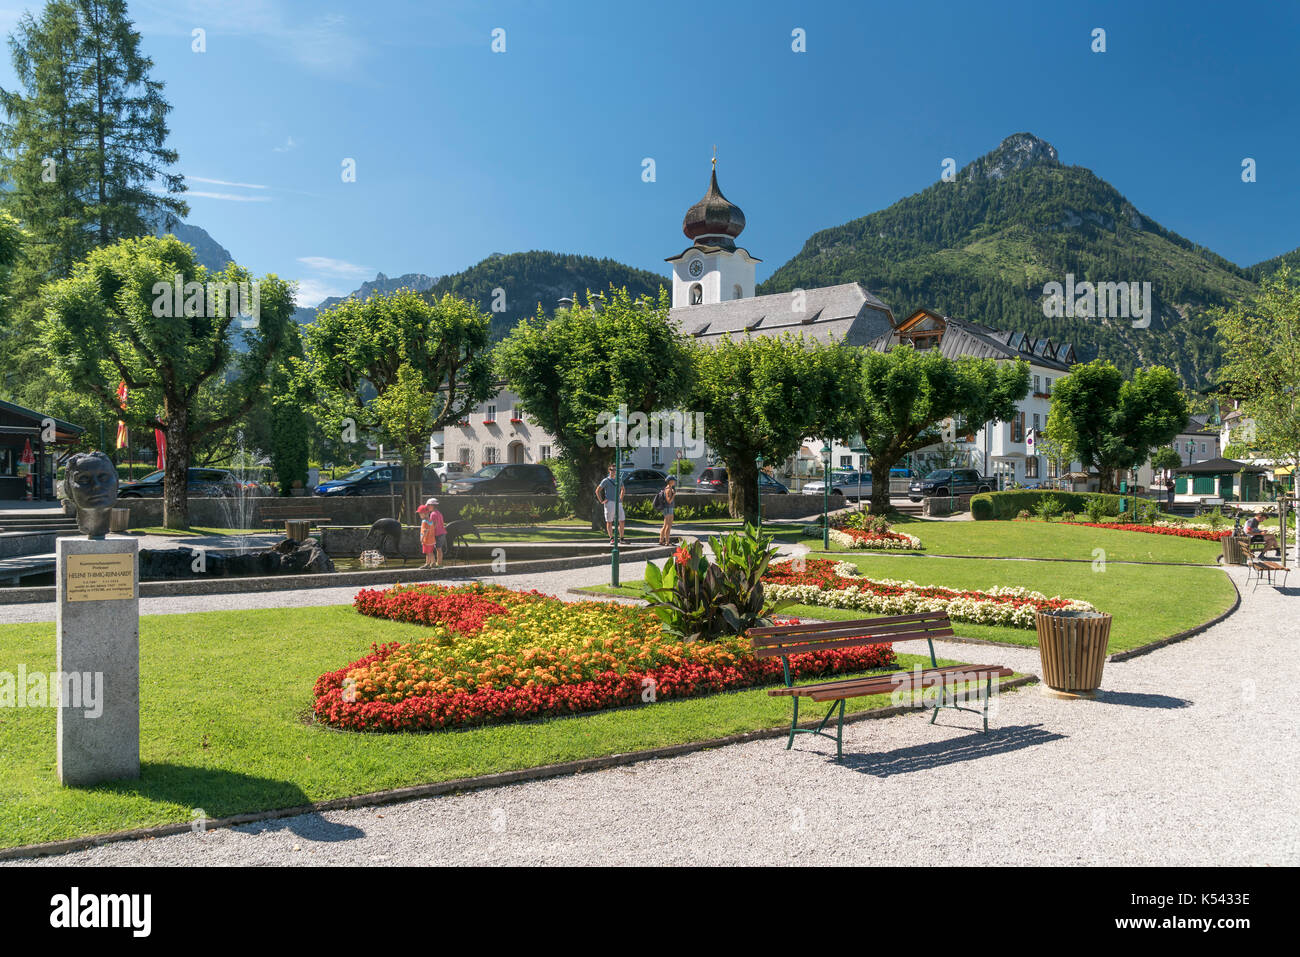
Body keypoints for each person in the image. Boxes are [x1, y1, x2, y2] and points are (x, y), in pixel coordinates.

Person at [596, 463, 626, 545]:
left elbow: (623, 489)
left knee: (622, 520)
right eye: (612, 470)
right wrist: (601, 501)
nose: (614, 471)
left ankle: (622, 538)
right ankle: (611, 538)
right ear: (609, 470)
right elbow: (597, 490)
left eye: (615, 470)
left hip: (618, 503)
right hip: (609, 503)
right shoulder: (606, 480)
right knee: (609, 521)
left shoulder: (619, 479)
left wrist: (621, 498)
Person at [417, 497, 447, 568]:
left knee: (436, 549)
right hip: (442, 533)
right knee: (438, 549)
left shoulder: (433, 514)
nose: (427, 507)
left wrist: (430, 532)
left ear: (432, 506)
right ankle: (437, 563)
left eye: (428, 506)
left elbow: (434, 524)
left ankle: (438, 563)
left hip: (437, 534)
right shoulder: (439, 513)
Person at [657, 476, 677, 545]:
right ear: (670, 481)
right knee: (668, 525)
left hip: (668, 508)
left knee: (665, 525)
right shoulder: (668, 489)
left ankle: (661, 540)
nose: (675, 482)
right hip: (668, 508)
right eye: (674, 480)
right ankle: (667, 542)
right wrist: (674, 495)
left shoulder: (668, 488)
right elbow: (669, 501)